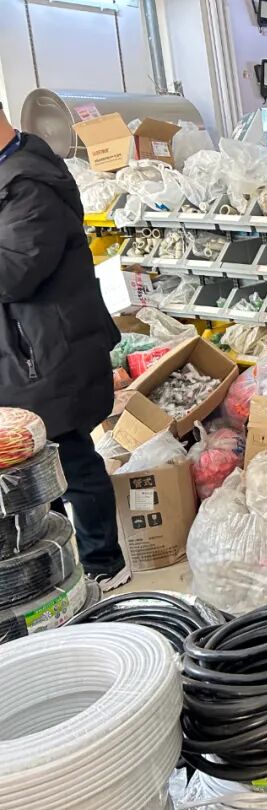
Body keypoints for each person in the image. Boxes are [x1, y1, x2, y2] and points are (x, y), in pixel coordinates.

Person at [0, 103, 129, 592]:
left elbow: (14, 274)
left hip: (49, 355)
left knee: (69, 460)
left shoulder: (29, 185)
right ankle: (56, 565)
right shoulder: (12, 176)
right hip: (26, 353)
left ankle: (104, 565)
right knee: (32, 470)